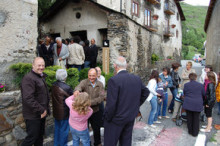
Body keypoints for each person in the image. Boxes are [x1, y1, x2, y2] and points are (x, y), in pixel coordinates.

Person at [104, 56, 149, 146]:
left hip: (116, 119)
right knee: (126, 142)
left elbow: (111, 104)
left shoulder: (114, 80)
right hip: (130, 117)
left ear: (115, 66)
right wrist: (136, 105)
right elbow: (146, 92)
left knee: (110, 143)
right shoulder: (136, 78)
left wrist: (107, 118)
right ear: (126, 65)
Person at [21, 57, 50, 146]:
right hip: (33, 115)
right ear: (33, 65)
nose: (41, 67)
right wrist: (41, 110)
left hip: (41, 114)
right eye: (39, 65)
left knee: (39, 137)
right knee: (31, 139)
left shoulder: (40, 76)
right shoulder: (28, 78)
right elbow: (28, 98)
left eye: (43, 65)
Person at [74, 68, 105, 146]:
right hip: (86, 111)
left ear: (97, 75)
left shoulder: (100, 84)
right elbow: (79, 87)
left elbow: (101, 97)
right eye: (90, 75)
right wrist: (77, 90)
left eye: (93, 75)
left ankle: (98, 143)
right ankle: (88, 143)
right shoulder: (84, 82)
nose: (91, 77)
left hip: (95, 111)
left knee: (96, 128)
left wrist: (90, 102)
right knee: (85, 129)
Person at [51, 69, 73, 146]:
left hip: (56, 112)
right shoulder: (67, 87)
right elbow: (72, 97)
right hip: (64, 113)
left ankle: (56, 144)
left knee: (57, 129)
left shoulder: (53, 85)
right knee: (64, 130)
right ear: (65, 77)